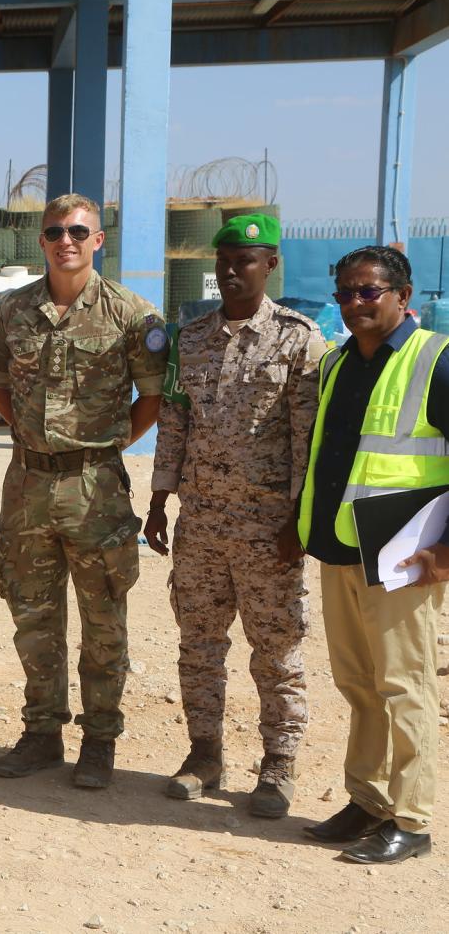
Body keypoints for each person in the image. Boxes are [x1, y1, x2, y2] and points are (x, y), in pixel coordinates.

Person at [0, 193, 167, 789]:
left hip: (96, 489)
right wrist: (29, 432)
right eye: (56, 231)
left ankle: (100, 739)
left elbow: (153, 397)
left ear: (98, 240)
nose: (67, 240)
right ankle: (41, 732)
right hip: (28, 483)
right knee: (32, 614)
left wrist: (104, 445)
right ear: (42, 240)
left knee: (103, 618)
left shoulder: (132, 314)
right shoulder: (12, 311)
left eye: (79, 231)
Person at [145, 214, 325, 817]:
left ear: (270, 264)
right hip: (201, 525)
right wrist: (159, 500)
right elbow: (175, 423)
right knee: (198, 644)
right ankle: (204, 754)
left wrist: (298, 521)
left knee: (276, 650)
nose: (230, 270)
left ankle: (278, 765)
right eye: (223, 260)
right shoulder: (192, 337)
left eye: (244, 260)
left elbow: (306, 441)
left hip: (268, 530)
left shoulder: (299, 340)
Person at [298, 245, 449, 864]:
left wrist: (445, 550)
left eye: (369, 292)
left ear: (403, 297)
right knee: (359, 684)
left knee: (405, 685)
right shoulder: (337, 364)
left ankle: (411, 820)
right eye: (345, 293)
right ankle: (368, 801)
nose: (355, 303)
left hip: (406, 557)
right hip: (342, 547)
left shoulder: (435, 361)